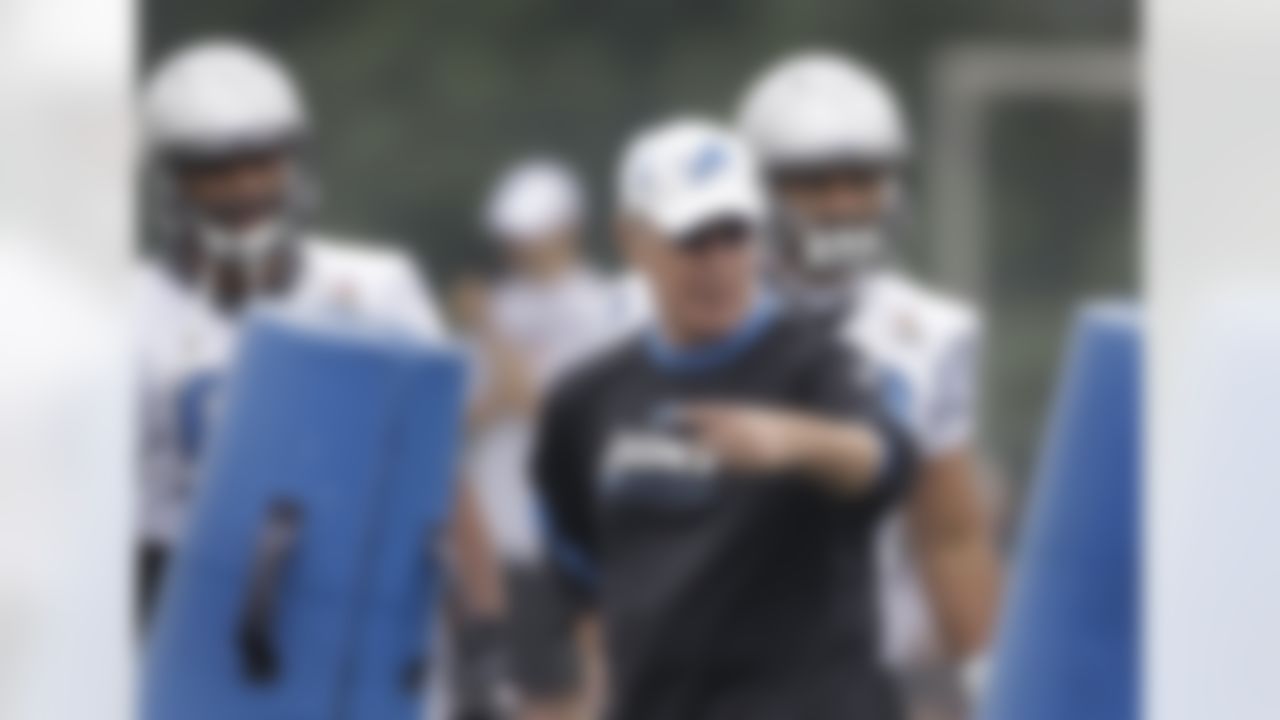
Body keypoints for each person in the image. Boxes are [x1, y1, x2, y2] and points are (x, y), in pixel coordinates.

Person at [135, 38, 508, 719]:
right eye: (216, 167)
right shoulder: (125, 315)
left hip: (358, 642)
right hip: (189, 650)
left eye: (262, 160)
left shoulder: (378, 287)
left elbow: (441, 482)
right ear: (173, 178)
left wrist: (483, 644)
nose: (246, 186)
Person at [534, 117, 917, 720]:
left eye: (733, 236)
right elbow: (577, 569)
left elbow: (886, 459)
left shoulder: (821, 369)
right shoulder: (586, 401)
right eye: (692, 240)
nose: (716, 262)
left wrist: (793, 441)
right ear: (632, 239)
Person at [737, 51, 1003, 712]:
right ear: (758, 189)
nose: (844, 204)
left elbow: (949, 536)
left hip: (850, 679)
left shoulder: (930, 333)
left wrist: (989, 680)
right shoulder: (691, 313)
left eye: (863, 179)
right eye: (814, 182)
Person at [465, 158, 625, 720]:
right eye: (515, 236)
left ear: (570, 228)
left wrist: (493, 339)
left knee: (567, 694)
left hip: (565, 530)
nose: (523, 247)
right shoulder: (497, 305)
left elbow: (557, 412)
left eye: (534, 234)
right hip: (496, 533)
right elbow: (467, 416)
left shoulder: (606, 309)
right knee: (493, 694)